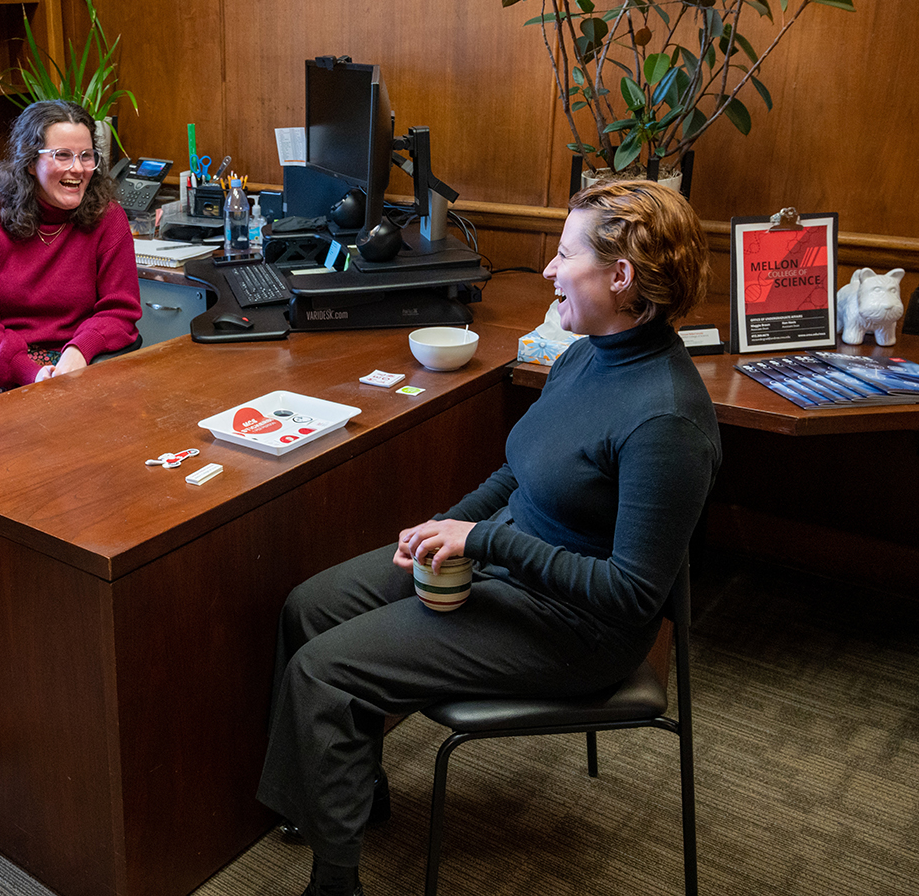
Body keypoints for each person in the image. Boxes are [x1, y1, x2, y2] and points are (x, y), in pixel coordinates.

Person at [256, 180, 723, 896]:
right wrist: (446, 524)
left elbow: (630, 597)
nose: (547, 270)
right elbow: (518, 470)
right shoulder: (585, 352)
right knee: (308, 607)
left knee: (325, 670)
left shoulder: (667, 419)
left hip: (576, 629)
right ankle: (352, 797)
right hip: (510, 560)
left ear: (621, 277)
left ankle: (335, 877)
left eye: (564, 255)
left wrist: (483, 544)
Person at [0, 99, 141, 416]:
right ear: (29, 162)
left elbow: (121, 309)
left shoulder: (108, 219)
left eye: (86, 156)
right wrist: (29, 371)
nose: (77, 168)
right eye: (62, 155)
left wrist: (80, 350)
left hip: (71, 363)